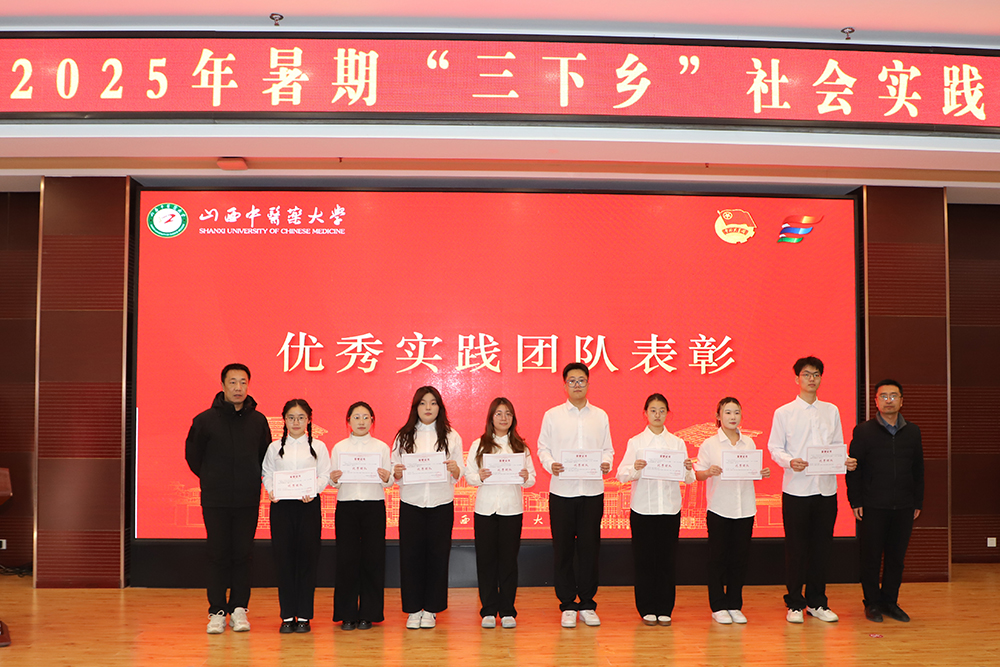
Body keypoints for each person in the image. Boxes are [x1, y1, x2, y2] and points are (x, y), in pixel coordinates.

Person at [767, 356, 857, 624]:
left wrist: (845, 460)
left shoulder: (831, 410)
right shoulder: (784, 412)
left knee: (821, 548)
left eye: (816, 374)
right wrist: (789, 461)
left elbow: (837, 445)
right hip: (796, 489)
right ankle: (795, 603)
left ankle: (817, 602)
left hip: (826, 490)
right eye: (806, 374)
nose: (811, 379)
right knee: (796, 549)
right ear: (797, 378)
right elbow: (775, 447)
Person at [185, 363, 272, 634]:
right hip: (216, 499)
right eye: (233, 382)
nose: (238, 388)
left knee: (243, 554)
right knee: (217, 553)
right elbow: (193, 456)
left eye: (243, 382)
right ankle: (216, 611)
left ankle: (239, 609)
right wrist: (213, 478)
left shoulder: (258, 421)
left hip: (247, 498)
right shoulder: (204, 420)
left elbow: (265, 457)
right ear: (222, 385)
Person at [537, 362, 614, 628]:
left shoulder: (600, 416)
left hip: (592, 491)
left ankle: (588, 603)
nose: (577, 385)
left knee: (590, 549)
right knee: (564, 549)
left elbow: (608, 449)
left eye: (581, 380)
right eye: (572, 380)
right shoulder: (552, 415)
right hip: (562, 491)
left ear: (588, 383)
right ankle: (568, 604)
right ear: (565, 385)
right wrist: (551, 465)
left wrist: (606, 463)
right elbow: (542, 448)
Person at [847, 380, 924, 623]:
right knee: (870, 557)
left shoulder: (913, 431)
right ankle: (871, 603)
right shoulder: (863, 431)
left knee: (896, 558)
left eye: (893, 396)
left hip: (904, 505)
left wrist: (917, 502)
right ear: (876, 401)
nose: (888, 400)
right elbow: (854, 469)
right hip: (873, 504)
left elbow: (918, 469)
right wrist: (855, 500)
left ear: (902, 400)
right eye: (884, 396)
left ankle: (890, 602)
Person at [616, 393, 693, 627]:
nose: (657, 415)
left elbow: (689, 478)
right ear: (645, 413)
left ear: (668, 413)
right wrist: (635, 468)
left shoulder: (677, 443)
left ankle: (665, 607)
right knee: (644, 560)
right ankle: (647, 607)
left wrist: (687, 468)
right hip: (643, 509)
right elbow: (621, 474)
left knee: (667, 560)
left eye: (662, 410)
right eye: (653, 410)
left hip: (669, 509)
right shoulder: (636, 442)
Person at [391, 386, 463, 630]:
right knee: (410, 556)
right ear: (415, 407)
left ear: (440, 407)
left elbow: (459, 471)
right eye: (423, 403)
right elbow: (394, 469)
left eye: (433, 403)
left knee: (438, 556)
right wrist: (397, 472)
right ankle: (413, 609)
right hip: (411, 503)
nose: (428, 407)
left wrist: (455, 469)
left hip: (441, 503)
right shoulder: (404, 435)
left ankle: (431, 609)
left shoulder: (451, 435)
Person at [695, 397, 771, 624]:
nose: (732, 417)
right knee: (717, 558)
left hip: (745, 508)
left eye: (736, 412)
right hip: (719, 507)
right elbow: (697, 474)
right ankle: (718, 605)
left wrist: (761, 473)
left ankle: (734, 604)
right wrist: (709, 472)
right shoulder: (710, 444)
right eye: (727, 412)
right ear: (718, 416)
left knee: (740, 558)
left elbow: (750, 471)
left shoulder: (749, 443)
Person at [465, 397, 537, 629]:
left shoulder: (520, 447)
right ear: (491, 418)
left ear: (513, 418)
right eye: (499, 413)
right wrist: (479, 477)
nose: (504, 418)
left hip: (511, 510)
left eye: (508, 414)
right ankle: (488, 610)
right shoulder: (479, 444)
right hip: (485, 510)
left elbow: (532, 479)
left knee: (508, 561)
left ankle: (507, 610)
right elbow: (469, 476)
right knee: (486, 561)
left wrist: (526, 477)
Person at [261, 399, 331, 633]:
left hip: (308, 506)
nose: (296, 422)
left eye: (301, 417)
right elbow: (267, 472)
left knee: (307, 560)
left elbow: (325, 474)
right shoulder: (274, 447)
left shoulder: (319, 446)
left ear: (309, 420)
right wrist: (271, 490)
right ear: (284, 420)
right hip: (281, 507)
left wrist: (313, 490)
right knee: (284, 560)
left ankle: (304, 616)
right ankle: (287, 615)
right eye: (291, 417)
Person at [329, 401, 392, 631]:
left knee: (373, 559)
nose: (361, 422)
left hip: (374, 505)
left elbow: (389, 481)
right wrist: (334, 478)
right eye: (356, 417)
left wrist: (386, 477)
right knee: (346, 560)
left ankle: (369, 613)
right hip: (346, 506)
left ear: (372, 421)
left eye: (366, 417)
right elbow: (333, 482)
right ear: (348, 421)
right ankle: (347, 614)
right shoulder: (339, 448)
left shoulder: (381, 447)